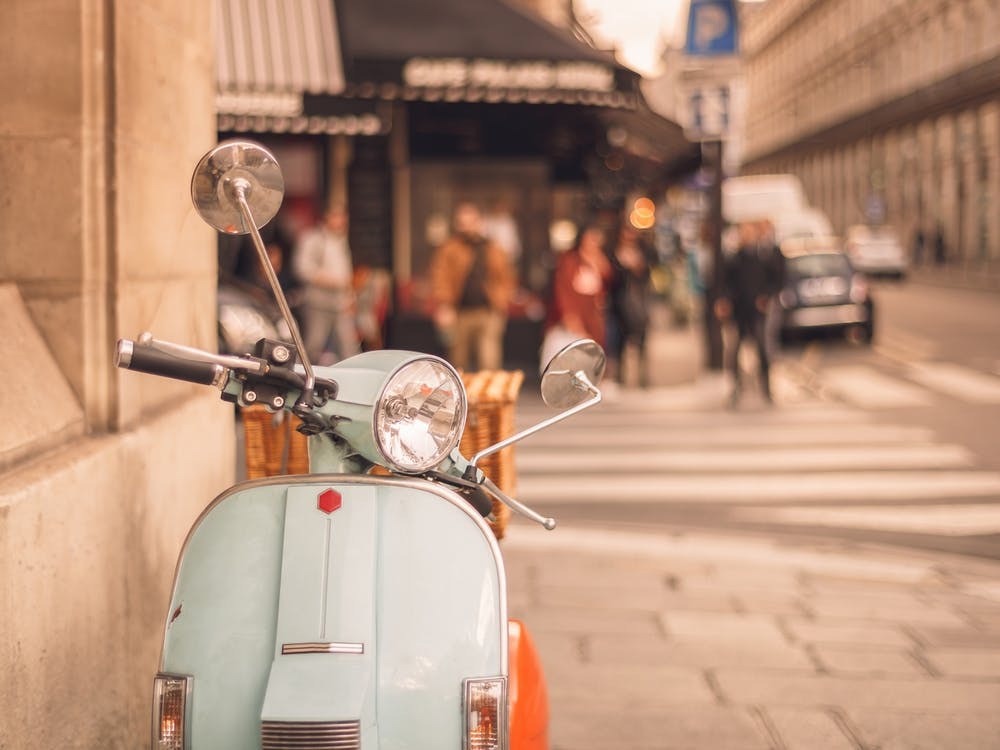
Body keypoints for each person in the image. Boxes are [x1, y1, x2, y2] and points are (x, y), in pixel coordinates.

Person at [430, 202, 515, 371]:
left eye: (470, 222)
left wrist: (502, 301)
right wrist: (444, 305)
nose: (466, 227)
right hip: (460, 311)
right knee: (457, 361)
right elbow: (440, 277)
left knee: (489, 360)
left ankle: (489, 398)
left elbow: (506, 277)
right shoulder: (450, 248)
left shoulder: (493, 248)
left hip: (489, 311)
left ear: (479, 222)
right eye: (462, 222)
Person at [715, 221, 785, 407]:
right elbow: (725, 282)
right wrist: (725, 300)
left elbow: (776, 280)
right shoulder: (735, 258)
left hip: (757, 312)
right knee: (734, 350)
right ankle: (735, 388)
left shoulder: (763, 257)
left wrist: (766, 297)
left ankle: (766, 388)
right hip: (739, 311)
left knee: (762, 349)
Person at [292, 206, 360, 365]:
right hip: (318, 302)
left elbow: (345, 272)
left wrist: (350, 297)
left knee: (348, 346)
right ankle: (303, 376)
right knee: (313, 345)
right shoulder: (313, 239)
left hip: (340, 303)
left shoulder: (340, 241)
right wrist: (331, 281)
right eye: (337, 217)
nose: (341, 222)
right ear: (327, 217)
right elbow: (303, 269)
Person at [546, 223, 613, 347]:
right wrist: (571, 317)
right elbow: (563, 291)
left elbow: (608, 283)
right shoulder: (570, 261)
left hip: (594, 316)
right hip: (574, 315)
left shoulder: (599, 260)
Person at [608, 224, 653, 387]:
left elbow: (647, 275)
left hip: (638, 304)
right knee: (620, 342)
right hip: (620, 304)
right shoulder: (614, 253)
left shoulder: (643, 253)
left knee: (641, 341)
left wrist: (637, 267)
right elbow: (611, 278)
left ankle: (643, 377)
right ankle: (621, 376)